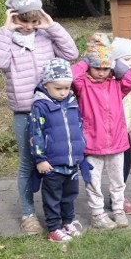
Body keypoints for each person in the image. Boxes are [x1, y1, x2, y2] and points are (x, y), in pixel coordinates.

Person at [0, 0, 79, 235]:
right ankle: (28, 213)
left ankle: (60, 212)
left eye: (33, 21)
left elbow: (71, 53)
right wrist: (6, 30)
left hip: (53, 108)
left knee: (55, 160)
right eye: (22, 21)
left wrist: (51, 26)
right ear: (13, 16)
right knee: (29, 163)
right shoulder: (8, 39)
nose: (28, 27)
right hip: (25, 112)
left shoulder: (46, 36)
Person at [71, 33, 131, 230]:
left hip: (117, 143)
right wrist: (86, 60)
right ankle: (97, 214)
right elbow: (72, 75)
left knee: (118, 181)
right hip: (92, 144)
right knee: (93, 182)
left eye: (105, 68)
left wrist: (114, 62)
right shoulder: (83, 85)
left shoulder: (116, 85)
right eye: (97, 68)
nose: (101, 72)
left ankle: (118, 209)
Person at [29, 59, 89, 243]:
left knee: (70, 195)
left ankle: (67, 222)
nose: (63, 92)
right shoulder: (41, 105)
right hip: (52, 164)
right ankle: (53, 228)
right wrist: (40, 159)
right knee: (53, 198)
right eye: (58, 88)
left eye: (66, 88)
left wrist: (81, 152)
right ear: (46, 84)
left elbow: (78, 127)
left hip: (72, 162)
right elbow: (35, 133)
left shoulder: (72, 101)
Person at [110, 36, 131, 215]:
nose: (130, 64)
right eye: (126, 59)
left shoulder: (126, 83)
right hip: (110, 133)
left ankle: (119, 196)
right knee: (110, 166)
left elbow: (127, 103)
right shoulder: (110, 81)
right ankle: (109, 197)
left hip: (125, 131)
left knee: (125, 164)